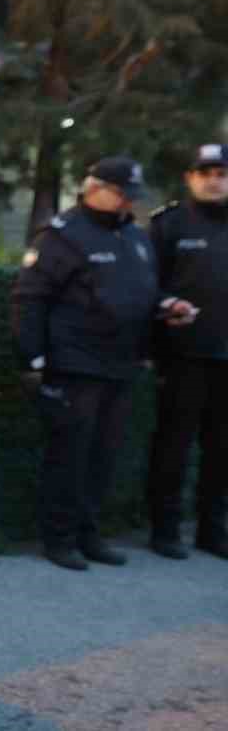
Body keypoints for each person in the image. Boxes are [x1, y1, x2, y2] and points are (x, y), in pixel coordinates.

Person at [12, 158, 198, 572]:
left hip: (121, 364)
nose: (128, 204)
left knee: (104, 457)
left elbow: (143, 291)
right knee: (71, 455)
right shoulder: (63, 235)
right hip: (75, 364)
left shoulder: (134, 235)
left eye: (132, 197)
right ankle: (59, 538)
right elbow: (31, 299)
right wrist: (32, 360)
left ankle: (88, 533)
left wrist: (167, 306)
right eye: (121, 194)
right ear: (92, 188)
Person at [146, 142, 228, 560]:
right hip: (183, 357)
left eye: (221, 173)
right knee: (173, 447)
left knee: (222, 451)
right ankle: (164, 530)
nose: (214, 180)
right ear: (190, 178)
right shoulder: (169, 225)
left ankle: (213, 531)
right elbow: (145, 286)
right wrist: (166, 307)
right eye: (206, 173)